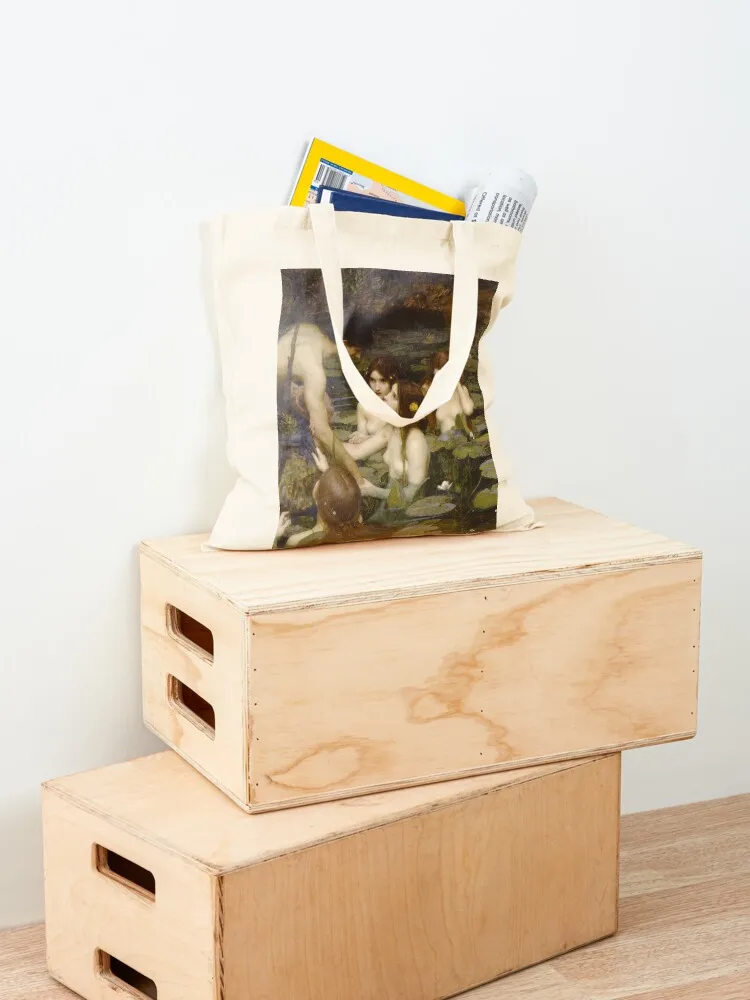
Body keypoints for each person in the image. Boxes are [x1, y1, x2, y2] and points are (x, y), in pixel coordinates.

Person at [276, 322, 362, 482]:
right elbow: (323, 432)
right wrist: (358, 477)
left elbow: (284, 357)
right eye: (356, 352)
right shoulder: (314, 370)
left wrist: (289, 384)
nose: (358, 357)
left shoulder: (310, 329)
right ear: (344, 344)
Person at [358, 381, 430, 504]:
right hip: (388, 500)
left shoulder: (415, 442)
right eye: (390, 392)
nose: (386, 396)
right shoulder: (392, 429)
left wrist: (373, 491)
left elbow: (411, 494)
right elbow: (357, 451)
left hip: (406, 509)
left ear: (404, 408)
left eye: (394, 396)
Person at [276, 449, 364, 547]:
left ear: (318, 502)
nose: (318, 481)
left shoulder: (296, 541)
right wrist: (328, 473)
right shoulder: (359, 521)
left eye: (320, 482)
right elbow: (342, 498)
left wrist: (275, 537)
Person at [348, 355, 400, 446]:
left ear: (392, 381)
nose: (377, 388)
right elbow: (362, 437)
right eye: (372, 380)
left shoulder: (399, 405)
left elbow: (400, 440)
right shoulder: (363, 407)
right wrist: (357, 439)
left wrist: (367, 438)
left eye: (383, 381)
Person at [421, 349, 475, 437]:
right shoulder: (431, 389)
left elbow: (468, 410)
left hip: (462, 437)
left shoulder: (461, 389)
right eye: (438, 370)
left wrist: (458, 385)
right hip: (444, 437)